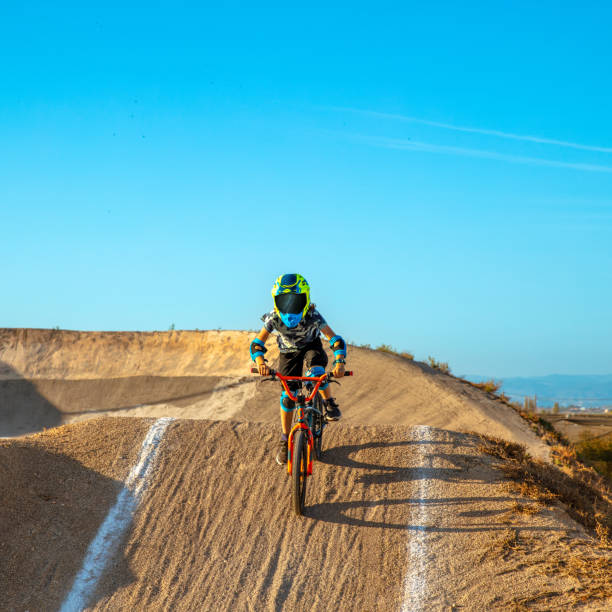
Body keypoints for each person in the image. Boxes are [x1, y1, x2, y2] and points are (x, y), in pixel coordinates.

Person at [250, 273, 348, 465]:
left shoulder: (313, 315)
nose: (289, 307)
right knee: (288, 396)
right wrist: (260, 362)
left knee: (317, 373)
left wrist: (340, 362)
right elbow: (257, 343)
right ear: (276, 301)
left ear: (306, 299)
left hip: (312, 347)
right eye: (284, 301)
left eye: (295, 301)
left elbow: (335, 339)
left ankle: (329, 403)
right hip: (288, 354)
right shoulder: (274, 317)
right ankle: (285, 439)